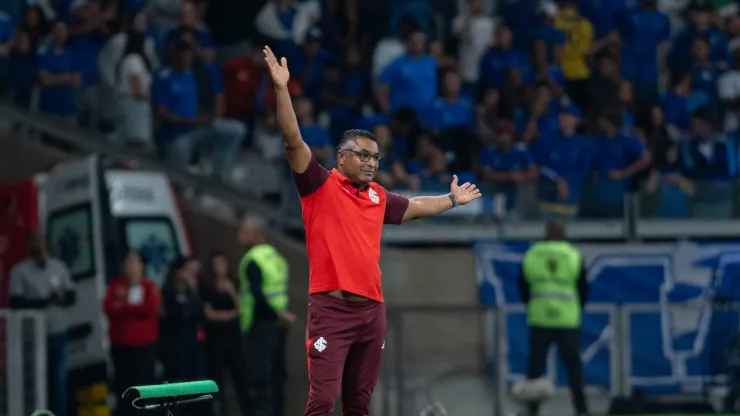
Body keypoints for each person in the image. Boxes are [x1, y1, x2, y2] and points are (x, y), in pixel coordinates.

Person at [262, 45, 482, 415]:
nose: (371, 163)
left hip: (371, 313)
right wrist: (282, 89)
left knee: (359, 404)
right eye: (363, 155)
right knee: (321, 401)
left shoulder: (377, 196)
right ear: (341, 157)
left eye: (376, 157)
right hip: (331, 311)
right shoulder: (318, 185)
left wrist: (452, 199)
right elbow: (292, 141)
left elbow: (414, 206)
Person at [517, 220, 589, 416]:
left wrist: (532, 305)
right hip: (567, 320)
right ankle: (581, 409)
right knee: (574, 368)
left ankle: (532, 410)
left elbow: (523, 285)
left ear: (545, 233)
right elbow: (583, 287)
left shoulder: (533, 254)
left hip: (540, 318)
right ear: (563, 233)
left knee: (535, 368)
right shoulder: (572, 254)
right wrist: (577, 308)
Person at [10, 231, 76, 416]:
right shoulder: (20, 271)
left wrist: (60, 299)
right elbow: (16, 302)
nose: (38, 244)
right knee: (37, 382)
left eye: (40, 240)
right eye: (33, 241)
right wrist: (44, 301)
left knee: (60, 380)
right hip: (34, 337)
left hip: (58, 332)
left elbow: (71, 296)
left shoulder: (59, 267)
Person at [237, 216, 294, 416]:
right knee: (277, 378)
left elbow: (257, 295)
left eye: (243, 231)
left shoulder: (253, 260)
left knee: (261, 382)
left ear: (255, 233)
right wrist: (281, 315)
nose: (239, 235)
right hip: (278, 326)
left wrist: (278, 313)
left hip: (258, 326)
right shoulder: (275, 257)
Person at [104, 250, 160, 416]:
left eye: (134, 261)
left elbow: (148, 309)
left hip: (143, 347)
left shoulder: (149, 286)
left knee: (144, 389)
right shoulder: (116, 285)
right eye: (128, 261)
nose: (130, 265)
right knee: (124, 390)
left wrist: (124, 306)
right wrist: (131, 308)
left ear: (142, 265)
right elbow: (109, 308)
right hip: (121, 346)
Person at [199, 252, 251, 416]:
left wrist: (231, 292)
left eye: (223, 263)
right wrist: (229, 315)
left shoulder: (234, 283)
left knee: (240, 379)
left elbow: (241, 307)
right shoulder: (207, 286)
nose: (220, 267)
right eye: (217, 264)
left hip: (233, 339)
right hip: (214, 339)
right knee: (216, 379)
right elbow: (208, 313)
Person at [159, 257, 206, 383]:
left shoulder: (191, 291)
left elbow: (200, 313)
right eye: (186, 270)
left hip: (192, 342)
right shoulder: (167, 291)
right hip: (175, 344)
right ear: (177, 271)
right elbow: (168, 316)